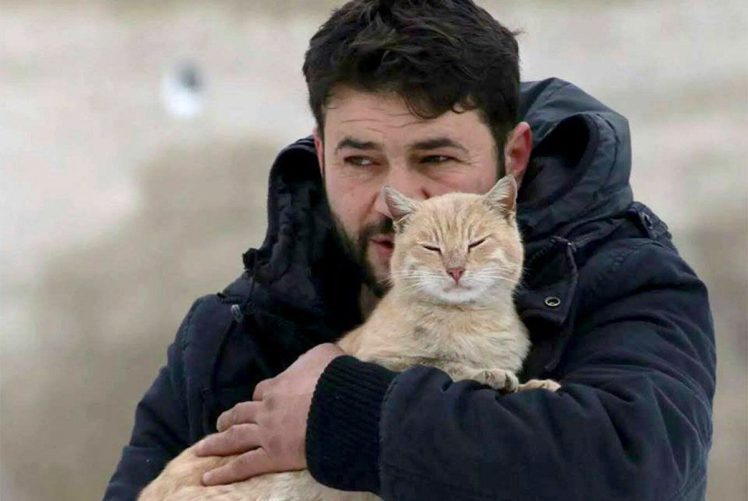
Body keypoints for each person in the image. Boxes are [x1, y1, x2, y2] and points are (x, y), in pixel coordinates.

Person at [104, 1, 715, 499]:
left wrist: (343, 418)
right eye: (361, 160)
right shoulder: (232, 333)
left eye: (437, 157)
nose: (398, 197)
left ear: (514, 157)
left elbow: (639, 468)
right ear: (321, 158)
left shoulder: (626, 279)